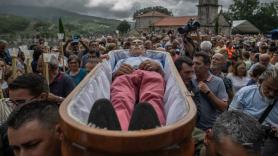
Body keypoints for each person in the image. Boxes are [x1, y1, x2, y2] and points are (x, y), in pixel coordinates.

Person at [88, 39, 165, 131]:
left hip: (150, 73)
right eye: (133, 44)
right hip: (126, 74)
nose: (136, 45)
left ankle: (156, 126)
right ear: (129, 51)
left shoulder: (155, 60)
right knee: (121, 98)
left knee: (153, 96)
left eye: (139, 43)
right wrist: (116, 73)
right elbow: (112, 76)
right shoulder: (122, 61)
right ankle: (119, 128)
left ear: (145, 50)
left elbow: (164, 76)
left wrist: (158, 67)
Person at [229, 66, 278, 156]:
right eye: (268, 88)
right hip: (243, 140)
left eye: (276, 91)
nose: (272, 93)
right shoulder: (245, 93)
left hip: (270, 144)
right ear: (260, 81)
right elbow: (231, 117)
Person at [192, 52, 228, 130]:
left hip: (210, 128)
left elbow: (223, 107)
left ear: (207, 65)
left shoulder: (218, 82)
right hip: (192, 127)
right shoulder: (189, 79)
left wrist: (208, 92)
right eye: (193, 63)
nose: (194, 66)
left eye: (198, 64)